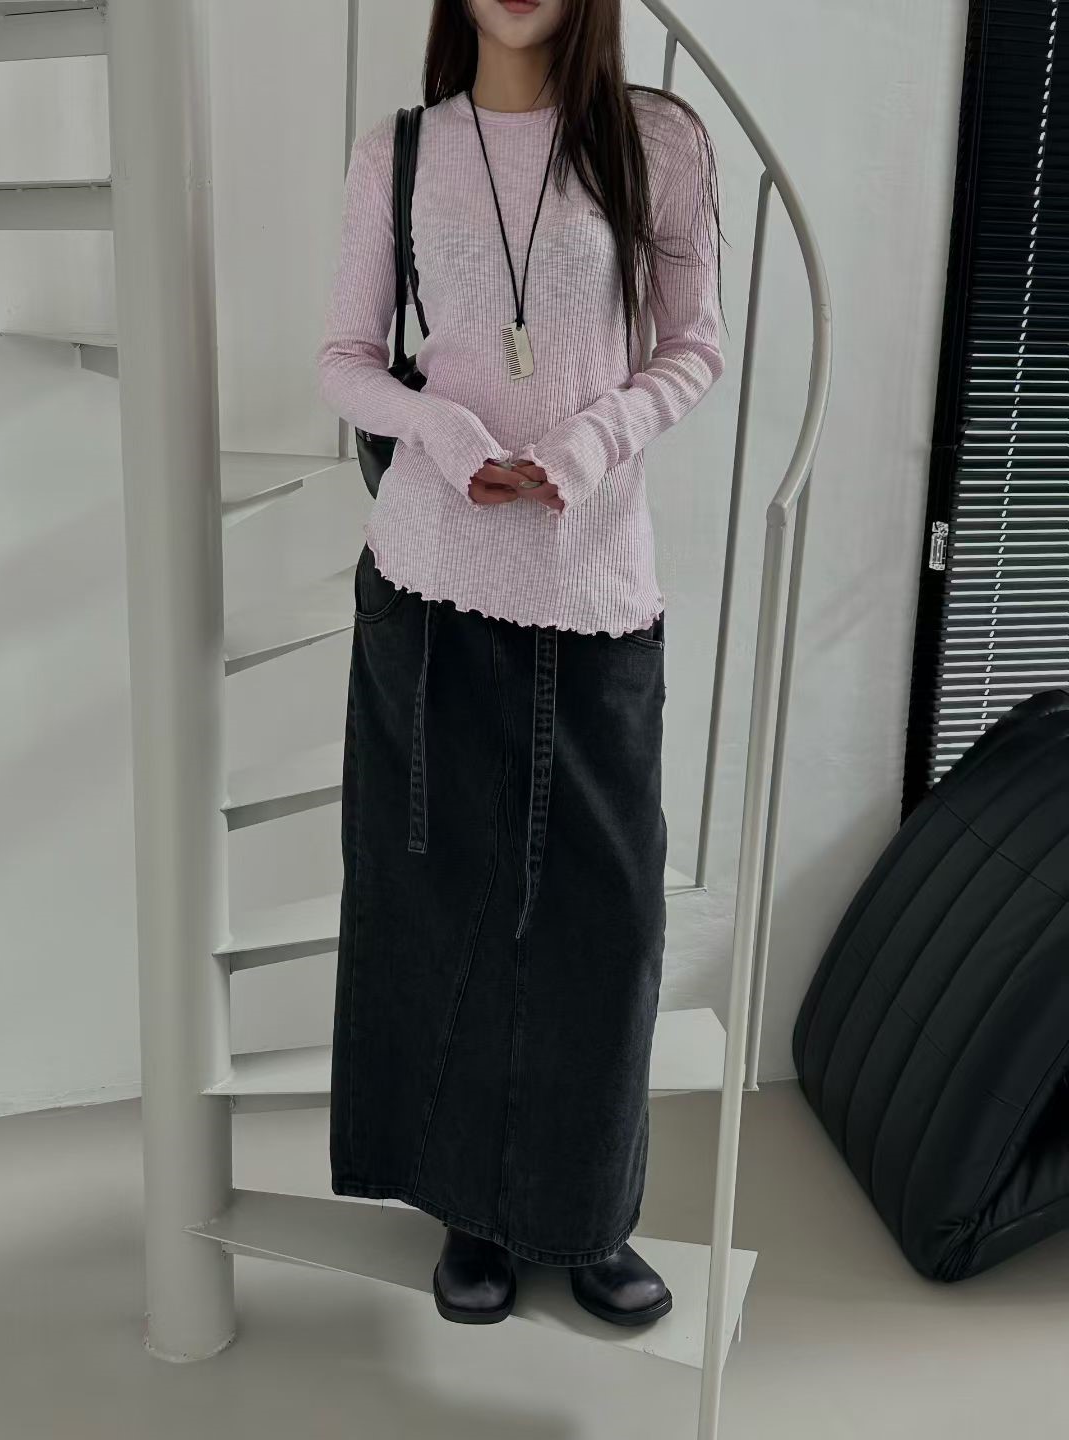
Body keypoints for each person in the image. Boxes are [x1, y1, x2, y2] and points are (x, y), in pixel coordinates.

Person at [316, 0, 724, 1328]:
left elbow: (695, 346)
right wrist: (439, 430)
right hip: (430, 581)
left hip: (594, 583)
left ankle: (585, 1219)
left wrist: (590, 442)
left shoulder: (657, 141)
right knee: (443, 907)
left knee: (604, 926)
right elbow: (344, 361)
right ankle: (472, 1215)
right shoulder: (400, 151)